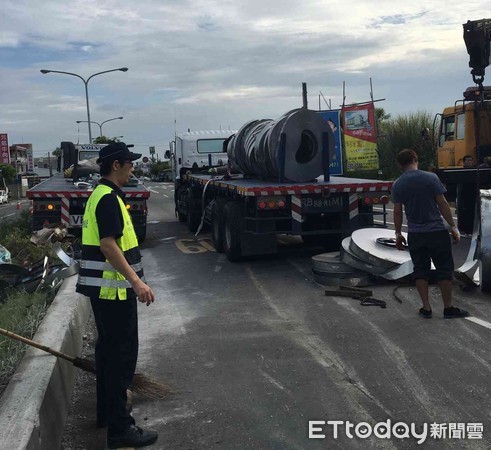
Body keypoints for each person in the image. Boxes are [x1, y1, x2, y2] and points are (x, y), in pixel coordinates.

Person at [76, 142, 158, 449]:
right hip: (114, 295)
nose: (132, 167)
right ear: (115, 165)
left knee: (108, 356)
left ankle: (107, 415)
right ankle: (120, 431)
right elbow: (109, 246)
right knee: (121, 361)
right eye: (129, 163)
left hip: (104, 293)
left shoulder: (100, 195)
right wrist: (137, 282)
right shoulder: (108, 199)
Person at [392, 149, 469, 319]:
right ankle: (448, 308)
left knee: (420, 270)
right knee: (443, 269)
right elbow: (442, 203)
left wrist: (398, 234)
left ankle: (426, 308)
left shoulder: (398, 184)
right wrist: (453, 227)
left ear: (400, 164)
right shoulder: (431, 178)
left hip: (415, 234)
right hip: (436, 232)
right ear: (415, 158)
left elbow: (397, 212)